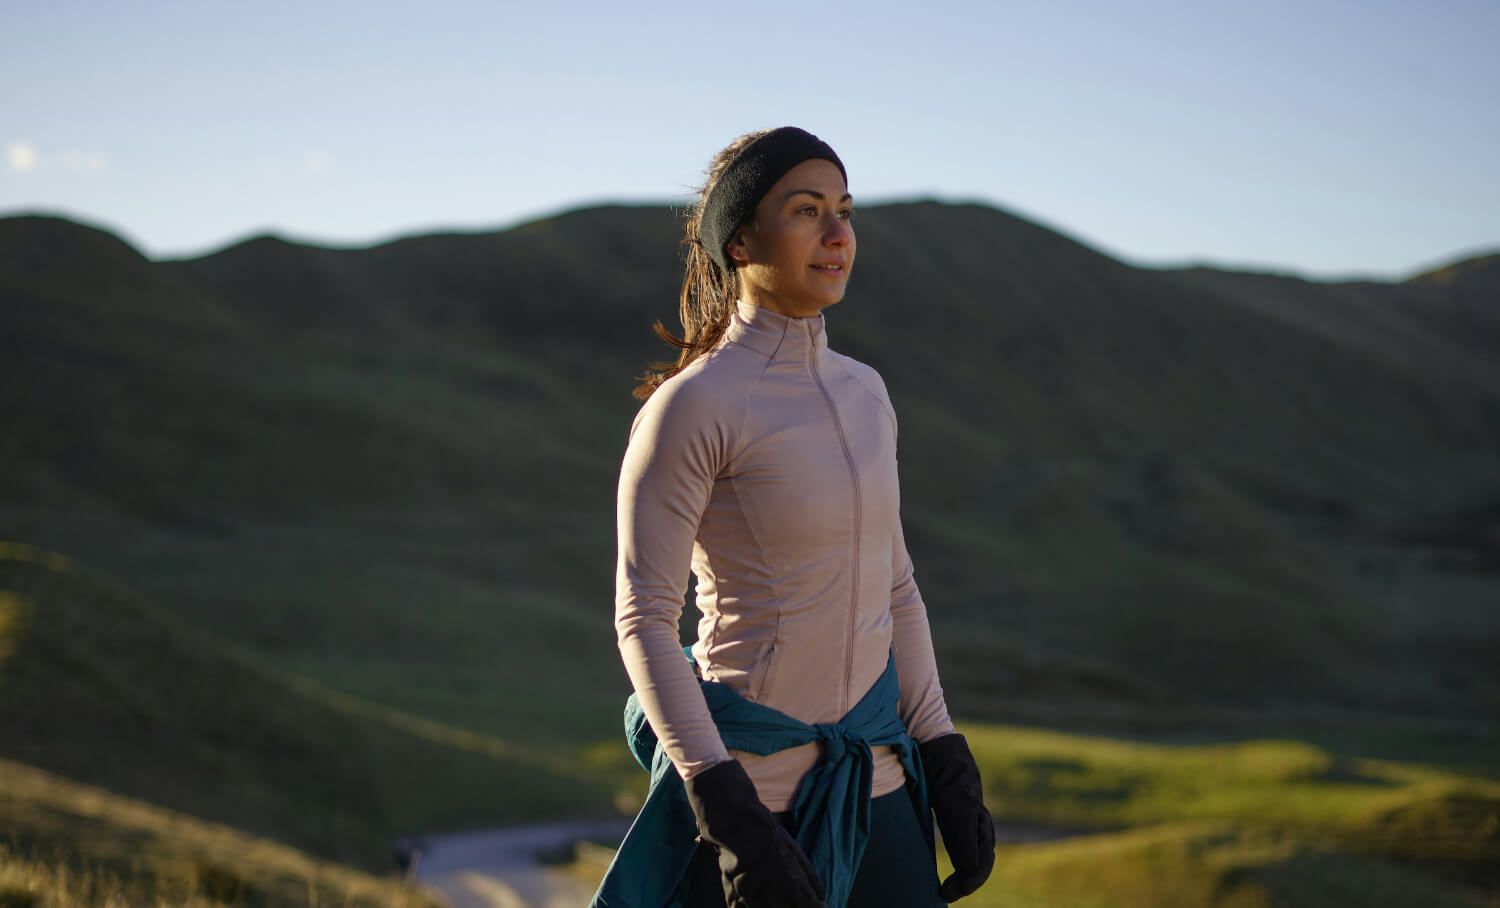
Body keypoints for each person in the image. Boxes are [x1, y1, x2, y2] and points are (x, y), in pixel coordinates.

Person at [595, 127, 995, 908]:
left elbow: (896, 589)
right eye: (807, 211)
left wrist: (943, 751)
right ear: (741, 241)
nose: (838, 234)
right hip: (754, 804)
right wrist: (723, 804)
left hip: (880, 789)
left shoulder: (866, 394)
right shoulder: (692, 407)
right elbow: (643, 618)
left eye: (845, 210)